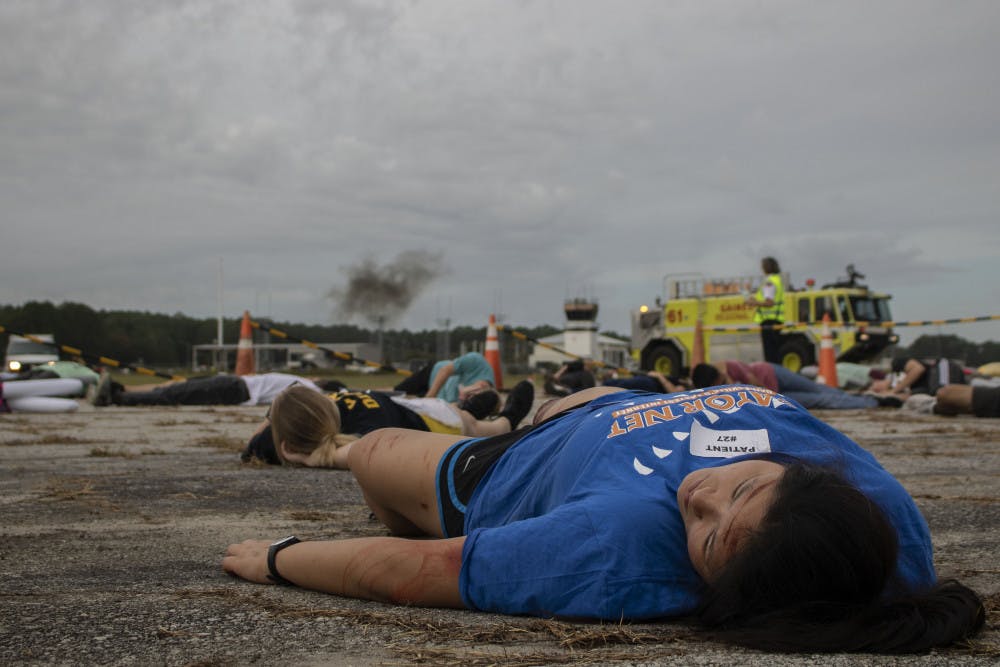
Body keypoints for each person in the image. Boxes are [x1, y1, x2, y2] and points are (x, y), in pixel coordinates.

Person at [223, 384, 983, 653]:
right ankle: (526, 408)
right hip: (611, 406)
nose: (701, 496)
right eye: (745, 489)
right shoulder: (882, 526)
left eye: (710, 536)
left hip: (504, 473)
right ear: (809, 478)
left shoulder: (615, 548)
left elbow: (422, 571)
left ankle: (340, 451)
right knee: (570, 400)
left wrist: (280, 557)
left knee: (375, 451)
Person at [243, 380, 535, 468]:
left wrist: (275, 422)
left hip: (411, 405)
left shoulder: (276, 442)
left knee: (465, 409)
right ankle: (505, 415)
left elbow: (254, 445)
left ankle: (477, 402)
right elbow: (366, 453)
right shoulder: (370, 434)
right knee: (485, 428)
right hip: (431, 418)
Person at [691, 360, 901, 409]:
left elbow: (754, 382)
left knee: (817, 389)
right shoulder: (715, 387)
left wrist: (764, 396)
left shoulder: (728, 367)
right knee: (820, 400)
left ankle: (854, 397)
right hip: (776, 395)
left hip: (773, 375)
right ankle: (872, 402)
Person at [90, 371, 330, 407]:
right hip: (236, 387)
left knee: (177, 392)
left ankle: (119, 396)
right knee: (178, 392)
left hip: (236, 386)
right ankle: (120, 392)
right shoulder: (306, 386)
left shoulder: (307, 386)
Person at [394, 352, 496, 404]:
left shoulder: (480, 400)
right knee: (397, 392)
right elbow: (445, 370)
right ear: (482, 385)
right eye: (470, 395)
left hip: (440, 399)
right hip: (433, 374)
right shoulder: (477, 362)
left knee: (407, 401)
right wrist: (429, 397)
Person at [745, 256, 784, 364]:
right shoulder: (776, 280)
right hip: (775, 320)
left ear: (766, 267)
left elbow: (769, 303)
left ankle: (773, 378)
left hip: (769, 321)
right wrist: (754, 298)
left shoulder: (769, 282)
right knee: (775, 354)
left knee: (771, 356)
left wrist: (753, 303)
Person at [869, 357, 967, 397]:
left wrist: (894, 391)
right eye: (876, 391)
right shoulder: (904, 389)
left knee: (941, 391)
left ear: (877, 380)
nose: (876, 389)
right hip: (933, 388)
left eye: (874, 386)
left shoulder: (897, 364)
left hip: (942, 369)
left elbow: (918, 369)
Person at [602, 370, 688, 393]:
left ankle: (604, 387)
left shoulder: (686, 389)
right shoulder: (682, 381)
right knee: (620, 383)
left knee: (621, 385)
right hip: (648, 381)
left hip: (650, 385)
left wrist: (659, 376)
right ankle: (605, 383)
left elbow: (674, 392)